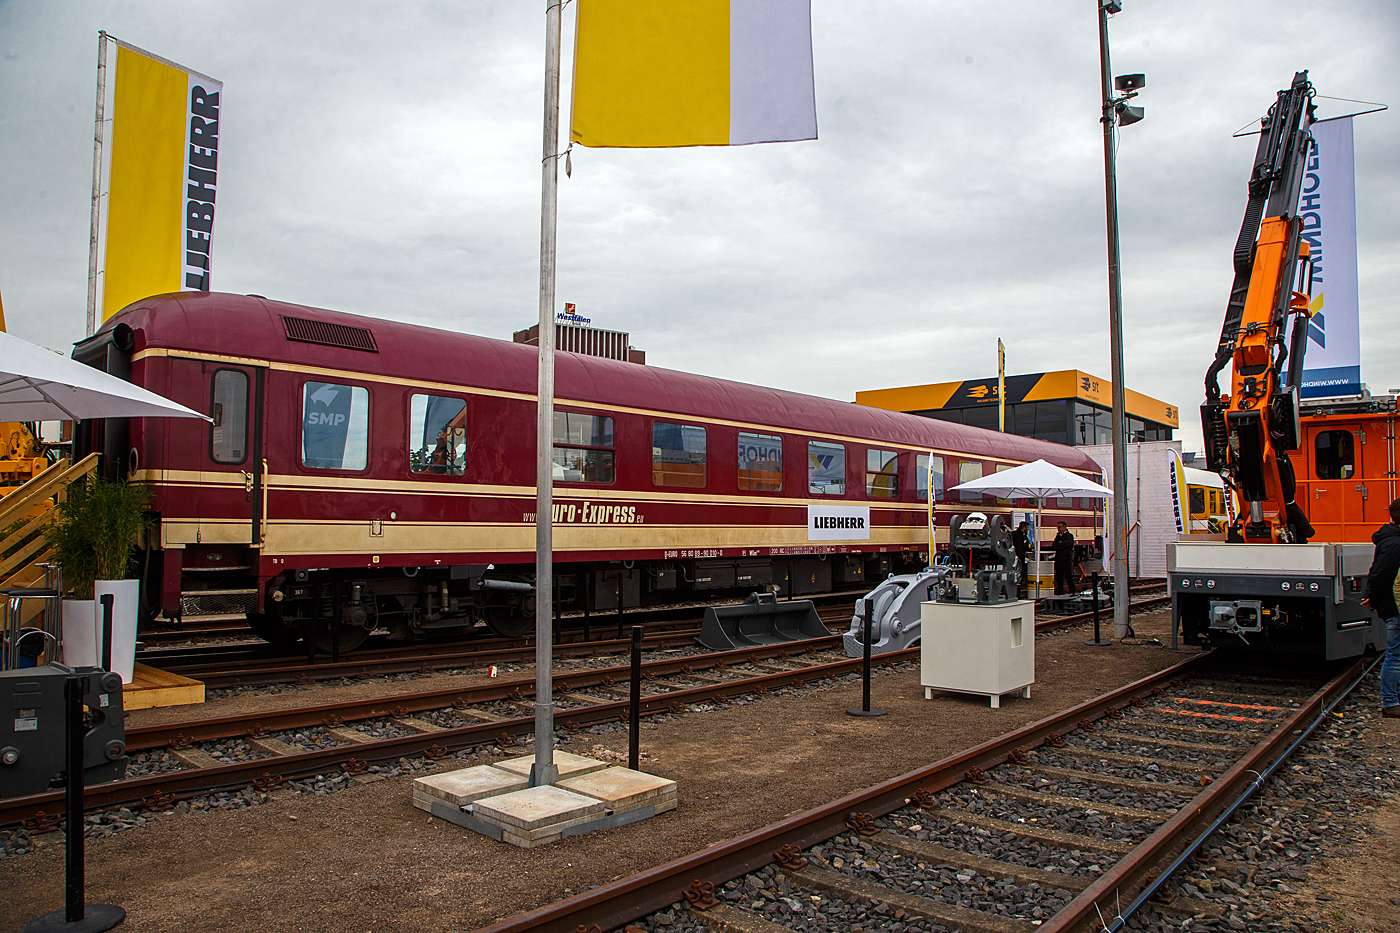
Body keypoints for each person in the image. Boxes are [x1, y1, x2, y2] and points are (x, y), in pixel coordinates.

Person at [1363, 497, 1400, 718]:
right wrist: (1371, 596)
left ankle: (1392, 699)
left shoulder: (1391, 540)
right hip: (1396, 606)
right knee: (1395, 655)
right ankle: (1390, 702)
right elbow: (1380, 573)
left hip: (1392, 604)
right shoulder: (1395, 544)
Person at [1052, 521, 1076, 596]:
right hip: (1059, 559)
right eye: (1057, 527)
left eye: (1060, 527)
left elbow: (1067, 544)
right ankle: (1060, 593)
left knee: (1069, 576)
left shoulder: (1069, 536)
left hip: (1067, 559)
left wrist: (1060, 544)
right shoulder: (1057, 536)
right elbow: (1054, 546)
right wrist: (1061, 544)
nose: (1058, 529)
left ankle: (1072, 592)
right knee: (1059, 577)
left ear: (1065, 527)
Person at [1011, 521, 1030, 598]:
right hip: (1018, 554)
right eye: (1027, 527)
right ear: (1024, 527)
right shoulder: (1018, 535)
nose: (1028, 529)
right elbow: (1021, 545)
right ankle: (1019, 583)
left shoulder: (1021, 535)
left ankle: (1020, 584)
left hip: (1019, 554)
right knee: (1019, 569)